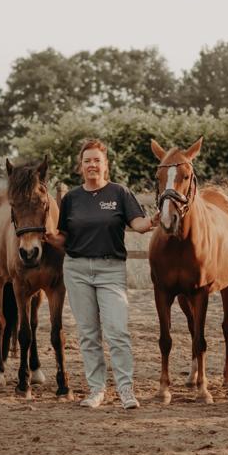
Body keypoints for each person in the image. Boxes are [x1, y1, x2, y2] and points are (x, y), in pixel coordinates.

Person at [58, 139, 154, 409]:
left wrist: (153, 221)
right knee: (88, 334)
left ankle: (126, 389)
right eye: (87, 160)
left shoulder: (119, 193)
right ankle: (96, 390)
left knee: (117, 331)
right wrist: (44, 236)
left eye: (96, 160)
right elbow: (62, 236)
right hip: (76, 270)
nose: (92, 165)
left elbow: (138, 224)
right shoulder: (71, 199)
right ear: (81, 166)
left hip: (110, 270)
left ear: (105, 165)